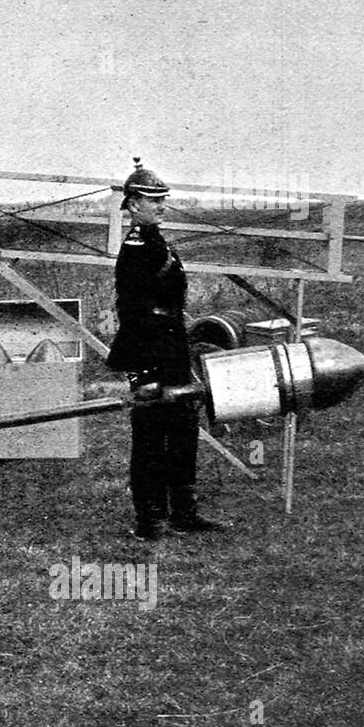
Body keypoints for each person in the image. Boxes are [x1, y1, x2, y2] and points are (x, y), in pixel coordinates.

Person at [105, 158, 221, 540]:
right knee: (152, 440)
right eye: (153, 199)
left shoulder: (156, 241)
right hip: (151, 353)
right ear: (133, 204)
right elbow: (132, 312)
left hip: (171, 348)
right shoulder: (137, 247)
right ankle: (150, 520)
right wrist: (142, 373)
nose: (161, 205)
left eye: (162, 199)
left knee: (184, 430)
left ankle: (184, 512)